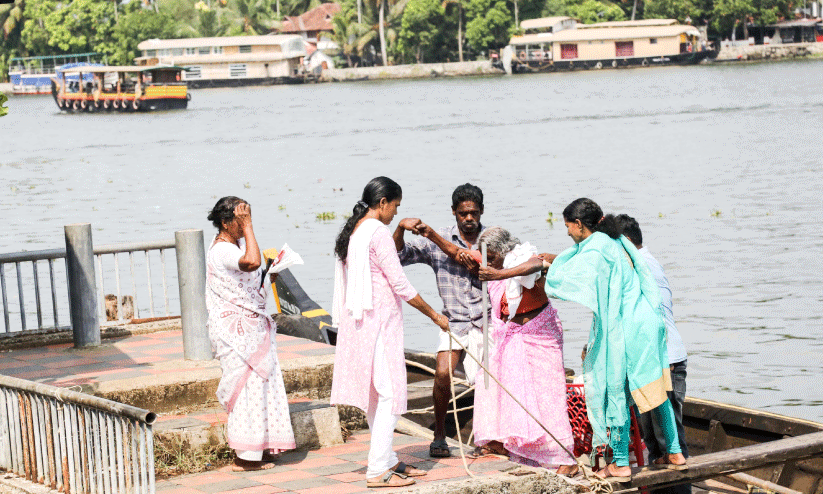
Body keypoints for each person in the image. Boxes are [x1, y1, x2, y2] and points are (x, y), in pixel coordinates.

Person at [480, 198, 686, 482]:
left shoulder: (598, 248)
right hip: (648, 322)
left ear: (579, 225)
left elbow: (558, 270)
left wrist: (500, 274)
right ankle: (675, 453)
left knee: (614, 391)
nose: (566, 232)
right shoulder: (616, 240)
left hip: (625, 327)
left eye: (567, 226)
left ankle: (622, 464)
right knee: (655, 387)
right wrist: (544, 261)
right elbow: (563, 259)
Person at [330, 177, 450, 488]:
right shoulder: (378, 233)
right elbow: (401, 284)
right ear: (382, 203)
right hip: (378, 325)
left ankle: (387, 459)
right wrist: (436, 316)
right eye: (395, 206)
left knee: (377, 395)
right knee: (391, 394)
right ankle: (376, 471)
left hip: (361, 324)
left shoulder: (356, 231)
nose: (396, 213)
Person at [434, 226, 577, 474]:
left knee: (547, 396)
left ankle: (564, 458)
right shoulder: (491, 258)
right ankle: (507, 444)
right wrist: (429, 233)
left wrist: (498, 274)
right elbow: (457, 252)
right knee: (505, 391)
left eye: (492, 260)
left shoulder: (525, 257)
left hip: (540, 334)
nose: (487, 264)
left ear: (503, 252)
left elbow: (539, 264)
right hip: (510, 333)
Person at [393, 183, 486, 458]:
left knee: (486, 381)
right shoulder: (437, 242)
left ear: (481, 212)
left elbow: (470, 259)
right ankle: (440, 435)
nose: (468, 219)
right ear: (454, 213)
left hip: (486, 321)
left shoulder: (491, 239)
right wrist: (399, 228)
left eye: (473, 213)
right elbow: (399, 256)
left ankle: (486, 437)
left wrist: (430, 233)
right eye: (462, 214)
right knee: (443, 373)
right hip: (454, 321)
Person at [205, 197, 296, 472]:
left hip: (253, 329)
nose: (245, 225)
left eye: (247, 218)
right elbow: (252, 262)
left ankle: (259, 449)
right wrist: (249, 227)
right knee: (246, 390)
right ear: (225, 222)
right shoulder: (222, 250)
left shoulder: (236, 247)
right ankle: (244, 456)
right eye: (240, 220)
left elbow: (249, 279)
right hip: (236, 333)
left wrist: (269, 277)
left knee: (262, 387)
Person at [616, 214, 691, 494]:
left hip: (664, 360)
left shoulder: (641, 266)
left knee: (670, 440)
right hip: (649, 360)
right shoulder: (638, 263)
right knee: (655, 442)